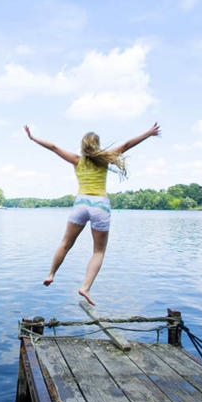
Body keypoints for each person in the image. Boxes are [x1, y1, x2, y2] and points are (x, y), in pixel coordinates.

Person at [24, 123, 160, 305]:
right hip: (100, 205)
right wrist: (148, 133)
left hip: (81, 204)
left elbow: (54, 147)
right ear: (97, 145)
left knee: (65, 243)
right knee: (98, 251)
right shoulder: (105, 159)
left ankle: (51, 274)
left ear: (83, 146)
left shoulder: (77, 160)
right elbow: (127, 144)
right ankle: (85, 287)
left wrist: (33, 138)